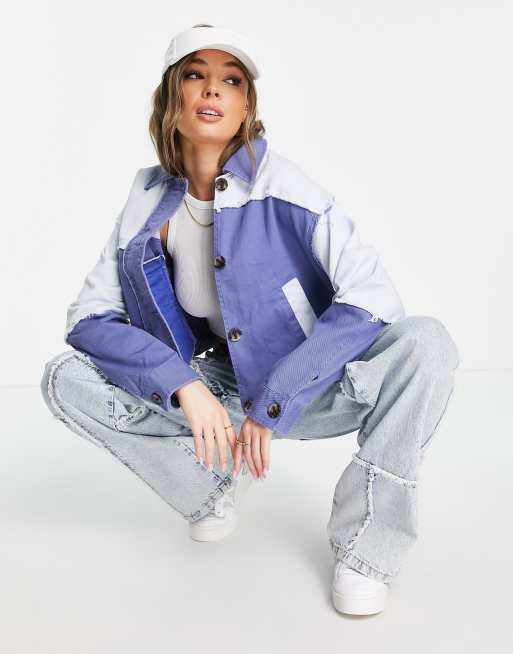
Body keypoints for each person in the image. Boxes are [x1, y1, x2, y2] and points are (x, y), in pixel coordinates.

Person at [40, 24, 460, 616]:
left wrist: (278, 396)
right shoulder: (147, 197)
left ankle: (367, 549)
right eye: (195, 75)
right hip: (217, 395)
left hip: (312, 387)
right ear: (172, 98)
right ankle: (208, 487)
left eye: (231, 80)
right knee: (64, 379)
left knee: (428, 343)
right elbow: (89, 317)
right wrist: (182, 385)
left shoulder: (285, 187)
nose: (212, 89)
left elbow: (374, 298)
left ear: (245, 107)